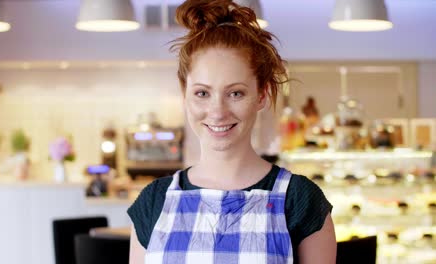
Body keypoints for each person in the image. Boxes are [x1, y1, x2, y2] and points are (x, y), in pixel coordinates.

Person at [127, 0, 336, 263]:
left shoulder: (300, 202)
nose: (217, 111)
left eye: (235, 93)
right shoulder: (153, 202)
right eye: (202, 93)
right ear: (185, 94)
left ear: (262, 95)